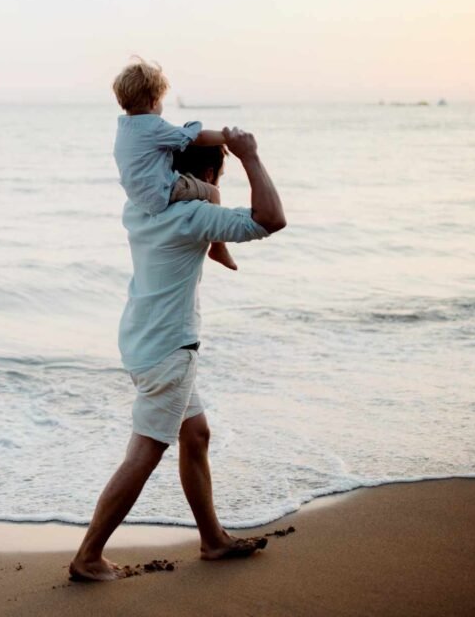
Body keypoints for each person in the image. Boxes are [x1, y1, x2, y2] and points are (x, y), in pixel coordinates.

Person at [69, 125, 286, 582]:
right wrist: (250, 155)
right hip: (170, 350)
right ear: (207, 175)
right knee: (145, 452)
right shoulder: (191, 216)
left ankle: (213, 540)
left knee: (196, 434)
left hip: (142, 339)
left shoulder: (140, 207)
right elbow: (271, 218)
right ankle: (88, 556)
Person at [112, 56, 238, 270]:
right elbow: (197, 138)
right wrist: (228, 137)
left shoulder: (124, 128)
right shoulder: (154, 126)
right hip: (160, 194)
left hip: (136, 196)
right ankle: (218, 247)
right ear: (154, 102)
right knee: (212, 193)